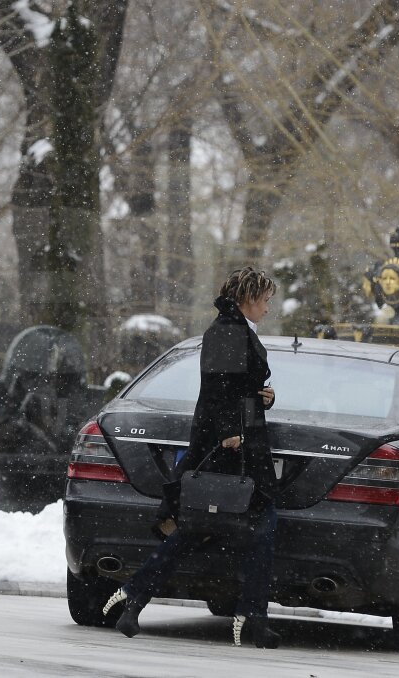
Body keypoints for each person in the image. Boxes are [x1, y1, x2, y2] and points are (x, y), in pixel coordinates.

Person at [103, 266, 281, 648]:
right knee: (256, 523)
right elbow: (218, 388)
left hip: (237, 444)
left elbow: (235, 386)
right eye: (265, 300)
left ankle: (135, 594)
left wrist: (262, 397)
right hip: (231, 449)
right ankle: (252, 615)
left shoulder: (236, 329)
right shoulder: (228, 331)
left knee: (200, 527)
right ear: (248, 298)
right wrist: (230, 431)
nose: (268, 307)